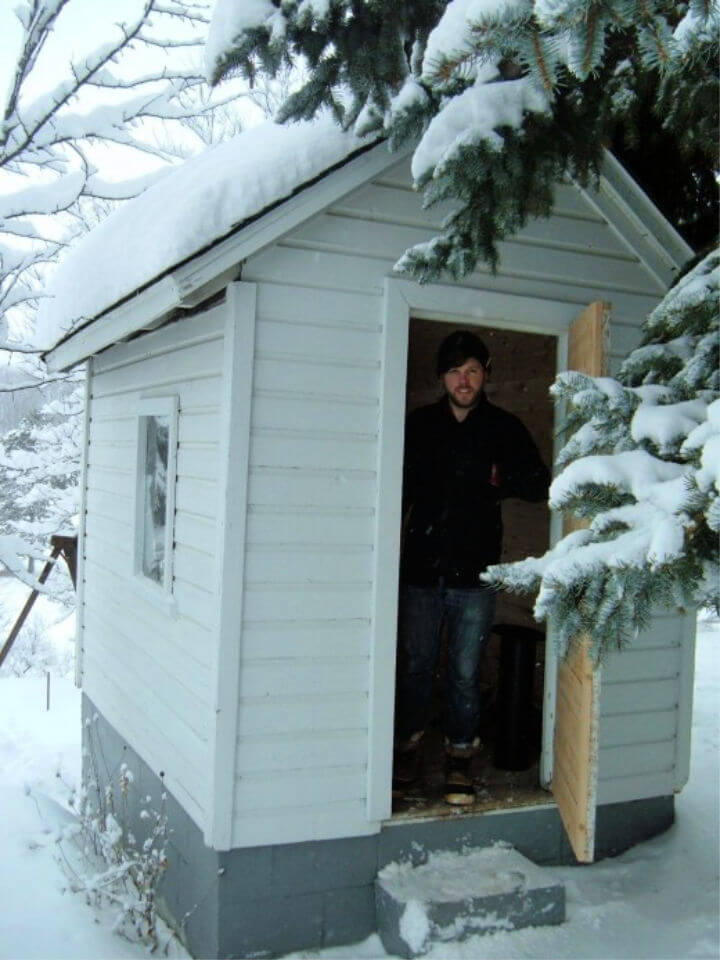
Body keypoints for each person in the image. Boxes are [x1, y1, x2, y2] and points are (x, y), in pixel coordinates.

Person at [394, 329, 550, 806]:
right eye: (456, 371)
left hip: (476, 574)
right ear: (442, 376)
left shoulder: (502, 429)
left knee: (464, 672)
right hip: (421, 569)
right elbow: (394, 490)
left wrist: (502, 480)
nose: (464, 380)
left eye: (473, 371)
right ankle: (407, 749)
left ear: (486, 376)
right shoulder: (419, 425)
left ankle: (460, 755)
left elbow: (539, 483)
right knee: (417, 667)